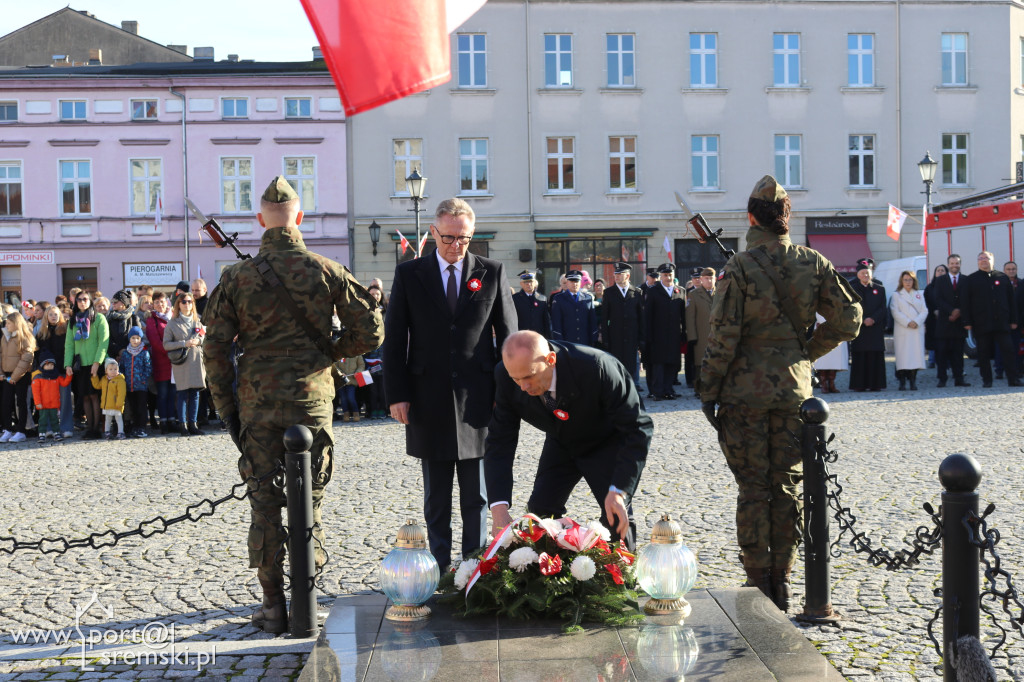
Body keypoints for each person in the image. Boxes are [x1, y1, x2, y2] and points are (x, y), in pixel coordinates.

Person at [204, 176, 383, 634]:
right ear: (300, 218)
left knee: (264, 504)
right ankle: (307, 597)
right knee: (310, 500)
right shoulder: (327, 269)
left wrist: (227, 410)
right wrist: (329, 351)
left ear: (260, 220)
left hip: (258, 405)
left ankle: (272, 605)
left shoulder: (236, 277)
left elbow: (215, 350)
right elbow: (371, 331)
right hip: (311, 401)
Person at [699, 175, 861, 611]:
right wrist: (804, 353)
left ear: (751, 218)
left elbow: (723, 337)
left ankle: (758, 581)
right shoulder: (813, 261)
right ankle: (784, 579)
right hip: (794, 393)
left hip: (743, 395)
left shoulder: (740, 267)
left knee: (753, 488)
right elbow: (849, 318)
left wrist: (707, 390)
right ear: (788, 217)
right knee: (787, 487)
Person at [384, 197, 516, 572]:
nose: (457, 245)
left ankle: (474, 568)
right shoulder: (410, 274)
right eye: (449, 238)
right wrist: (397, 395)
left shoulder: (491, 272)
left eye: (464, 238)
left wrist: (506, 395)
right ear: (433, 232)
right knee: (437, 497)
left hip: (479, 399)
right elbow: (395, 339)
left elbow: (509, 339)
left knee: (477, 495)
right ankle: (440, 570)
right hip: (428, 398)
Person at [485, 330, 652, 550]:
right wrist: (498, 508)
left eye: (529, 376)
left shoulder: (597, 367)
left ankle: (624, 569)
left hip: (606, 441)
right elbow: (499, 441)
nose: (523, 387)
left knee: (615, 518)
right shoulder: (506, 376)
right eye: (516, 379)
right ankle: (551, 568)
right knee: (540, 514)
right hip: (561, 440)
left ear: (550, 360)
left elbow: (638, 428)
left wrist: (620, 490)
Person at [961, 251, 1021, 387]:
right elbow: (965, 302)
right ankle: (987, 380)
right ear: (978, 262)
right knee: (983, 353)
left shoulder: (1002, 277)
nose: (983, 260)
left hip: (1001, 322)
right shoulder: (971, 279)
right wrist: (967, 321)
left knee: (1008, 350)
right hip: (982, 323)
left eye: (986, 258)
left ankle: (1013, 379)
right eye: (980, 258)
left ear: (992, 260)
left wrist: (1013, 320)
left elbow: (1011, 301)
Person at [64, 290, 109, 440]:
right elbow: (69, 344)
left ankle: (96, 429)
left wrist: (97, 362)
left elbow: (103, 342)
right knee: (84, 397)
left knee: (94, 396)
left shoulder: (99, 318)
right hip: (80, 364)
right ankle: (90, 428)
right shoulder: (73, 321)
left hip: (95, 363)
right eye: (79, 299)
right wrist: (68, 364)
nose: (82, 302)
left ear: (90, 301)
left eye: (85, 299)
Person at [164, 292, 207, 436]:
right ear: (178, 304)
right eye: (184, 302)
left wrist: (198, 341)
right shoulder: (172, 323)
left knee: (195, 393)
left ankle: (193, 424)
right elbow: (166, 344)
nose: (187, 304)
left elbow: (204, 337)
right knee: (182, 393)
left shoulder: (198, 321)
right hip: (181, 361)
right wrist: (184, 343)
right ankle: (183, 425)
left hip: (196, 360)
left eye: (190, 301)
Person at [643, 263, 685, 400]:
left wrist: (684, 333)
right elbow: (648, 315)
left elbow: (683, 315)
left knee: (672, 363)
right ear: (661, 276)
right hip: (657, 334)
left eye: (670, 275)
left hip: (674, 334)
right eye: (665, 275)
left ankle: (669, 389)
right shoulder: (653, 291)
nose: (668, 278)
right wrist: (648, 335)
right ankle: (657, 391)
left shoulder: (680, 291)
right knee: (659, 364)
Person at [601, 262, 645, 385]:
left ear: (627, 276)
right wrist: (606, 339)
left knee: (631, 368)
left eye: (620, 274)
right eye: (616, 274)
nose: (616, 276)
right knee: (616, 367)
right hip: (616, 337)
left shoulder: (637, 292)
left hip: (632, 337)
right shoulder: (609, 293)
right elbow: (605, 318)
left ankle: (631, 389)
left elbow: (641, 318)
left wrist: (642, 338)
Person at [932, 254, 971, 387]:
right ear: (948, 265)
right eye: (952, 263)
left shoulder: (966, 280)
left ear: (960, 264)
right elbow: (938, 299)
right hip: (944, 321)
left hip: (959, 322)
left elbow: (968, 299)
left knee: (958, 353)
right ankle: (942, 379)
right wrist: (951, 311)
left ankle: (959, 378)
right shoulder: (940, 280)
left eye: (957, 263)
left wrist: (959, 311)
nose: (955, 265)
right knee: (942, 352)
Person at [848, 259, 887, 391]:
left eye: (867, 273)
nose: (865, 275)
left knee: (875, 356)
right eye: (863, 273)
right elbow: (850, 307)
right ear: (858, 274)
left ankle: (876, 384)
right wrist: (863, 319)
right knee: (860, 356)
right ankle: (859, 385)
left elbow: (883, 308)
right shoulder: (852, 289)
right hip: (860, 328)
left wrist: (873, 319)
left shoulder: (879, 289)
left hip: (875, 328)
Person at [1, 312, 38, 443]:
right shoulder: (5, 336)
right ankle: (7, 429)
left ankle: (21, 431)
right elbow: (1, 355)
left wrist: (15, 377)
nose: (6, 325)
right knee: (6, 403)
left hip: (22, 376)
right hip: (7, 375)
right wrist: (1, 373)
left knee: (21, 403)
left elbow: (26, 359)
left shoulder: (25, 338)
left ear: (16, 324)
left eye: (9, 323)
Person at [36, 306, 73, 438]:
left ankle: (66, 427)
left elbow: (69, 349)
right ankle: (49, 428)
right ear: (46, 316)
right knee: (47, 400)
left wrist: (68, 365)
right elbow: (39, 353)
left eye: (56, 314)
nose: (53, 316)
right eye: (51, 314)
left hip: (62, 369)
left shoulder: (65, 331)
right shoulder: (41, 333)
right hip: (47, 372)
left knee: (65, 399)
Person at [890, 271, 928, 391]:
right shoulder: (896, 295)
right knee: (903, 357)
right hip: (903, 329)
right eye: (905, 280)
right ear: (901, 281)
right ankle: (902, 382)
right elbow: (895, 312)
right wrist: (908, 322)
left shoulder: (918, 294)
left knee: (915, 356)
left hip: (916, 329)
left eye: (910, 280)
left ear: (914, 281)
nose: (908, 282)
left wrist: (916, 321)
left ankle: (913, 381)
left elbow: (924, 310)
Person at [145, 292, 176, 432]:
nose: (160, 304)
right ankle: (163, 421)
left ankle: (172, 420)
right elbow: (155, 341)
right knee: (162, 393)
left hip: (175, 362)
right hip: (161, 361)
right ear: (153, 304)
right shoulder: (152, 319)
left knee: (173, 393)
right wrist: (170, 351)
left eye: (162, 301)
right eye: (156, 302)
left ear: (166, 302)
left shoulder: (173, 316)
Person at [686, 267, 716, 397]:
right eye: (706, 278)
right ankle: (700, 389)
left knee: (716, 362)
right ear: (701, 280)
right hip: (701, 334)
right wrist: (692, 336)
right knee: (700, 363)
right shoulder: (694, 294)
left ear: (715, 279)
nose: (709, 281)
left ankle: (714, 389)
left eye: (711, 278)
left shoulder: (721, 293)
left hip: (718, 336)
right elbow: (690, 317)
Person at [32, 351, 72, 443]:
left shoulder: (56, 376)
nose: (50, 366)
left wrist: (69, 376)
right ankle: (42, 434)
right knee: (42, 420)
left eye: (52, 364)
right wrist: (37, 403)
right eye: (47, 365)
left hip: (54, 404)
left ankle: (56, 433)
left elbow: (64, 383)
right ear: (42, 365)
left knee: (55, 420)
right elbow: (36, 392)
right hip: (43, 405)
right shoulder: (38, 377)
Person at [550, 270, 598, 346]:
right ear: (567, 283)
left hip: (584, 340)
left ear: (580, 283)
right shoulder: (559, 298)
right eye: (572, 281)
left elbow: (592, 320)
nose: (575, 284)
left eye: (577, 281)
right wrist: (559, 341)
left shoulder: (587, 298)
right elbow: (556, 321)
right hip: (567, 341)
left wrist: (593, 338)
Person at [120, 326, 152, 437]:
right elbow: (122, 367)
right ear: (129, 339)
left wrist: (143, 379)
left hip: (141, 386)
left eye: (137, 338)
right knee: (133, 407)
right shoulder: (126, 353)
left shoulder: (144, 352)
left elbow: (148, 367)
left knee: (141, 407)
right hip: (129, 385)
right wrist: (123, 378)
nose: (135, 340)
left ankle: (142, 427)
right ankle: (135, 426)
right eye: (133, 338)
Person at [91, 357, 127, 439]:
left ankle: (121, 432)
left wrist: (119, 403)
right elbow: (97, 386)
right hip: (107, 404)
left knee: (118, 419)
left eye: (115, 369)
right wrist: (94, 377)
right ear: (106, 370)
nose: (113, 371)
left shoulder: (120, 380)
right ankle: (107, 432)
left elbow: (122, 393)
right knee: (108, 419)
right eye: (110, 369)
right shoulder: (104, 379)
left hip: (116, 404)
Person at [813, 313, 848, 393]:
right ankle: (824, 384)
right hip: (823, 327)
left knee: (835, 359)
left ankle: (831, 383)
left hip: (838, 328)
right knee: (823, 359)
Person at [106, 289, 142, 361]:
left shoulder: (134, 318)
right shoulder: (110, 318)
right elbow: (108, 339)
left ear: (123, 303)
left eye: (115, 302)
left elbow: (138, 337)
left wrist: (127, 352)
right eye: (112, 302)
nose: (113, 304)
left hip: (132, 356)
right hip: (114, 357)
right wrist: (118, 351)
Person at [512, 271, 551, 337]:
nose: (529, 284)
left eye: (531, 281)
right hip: (521, 336)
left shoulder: (542, 298)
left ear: (535, 283)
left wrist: (548, 337)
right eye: (525, 282)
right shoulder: (515, 299)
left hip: (538, 336)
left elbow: (546, 321)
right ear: (521, 284)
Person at [923, 264, 948, 370]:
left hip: (946, 318)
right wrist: (933, 311)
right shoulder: (929, 288)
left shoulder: (949, 286)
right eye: (938, 270)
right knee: (933, 339)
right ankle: (932, 360)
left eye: (942, 270)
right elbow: (925, 303)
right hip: (932, 319)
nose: (940, 272)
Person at [334, 355, 365, 422]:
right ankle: (346, 414)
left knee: (350, 397)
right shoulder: (339, 353)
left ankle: (356, 413)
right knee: (343, 399)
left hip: (352, 381)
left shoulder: (357, 354)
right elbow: (334, 366)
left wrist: (357, 372)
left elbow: (361, 365)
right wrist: (340, 373)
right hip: (341, 381)